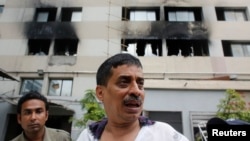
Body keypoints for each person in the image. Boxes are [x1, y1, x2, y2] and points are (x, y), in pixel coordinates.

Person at [76, 53, 189, 141]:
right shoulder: (87, 136)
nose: (136, 91)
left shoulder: (164, 135)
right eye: (124, 83)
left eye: (140, 84)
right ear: (101, 93)